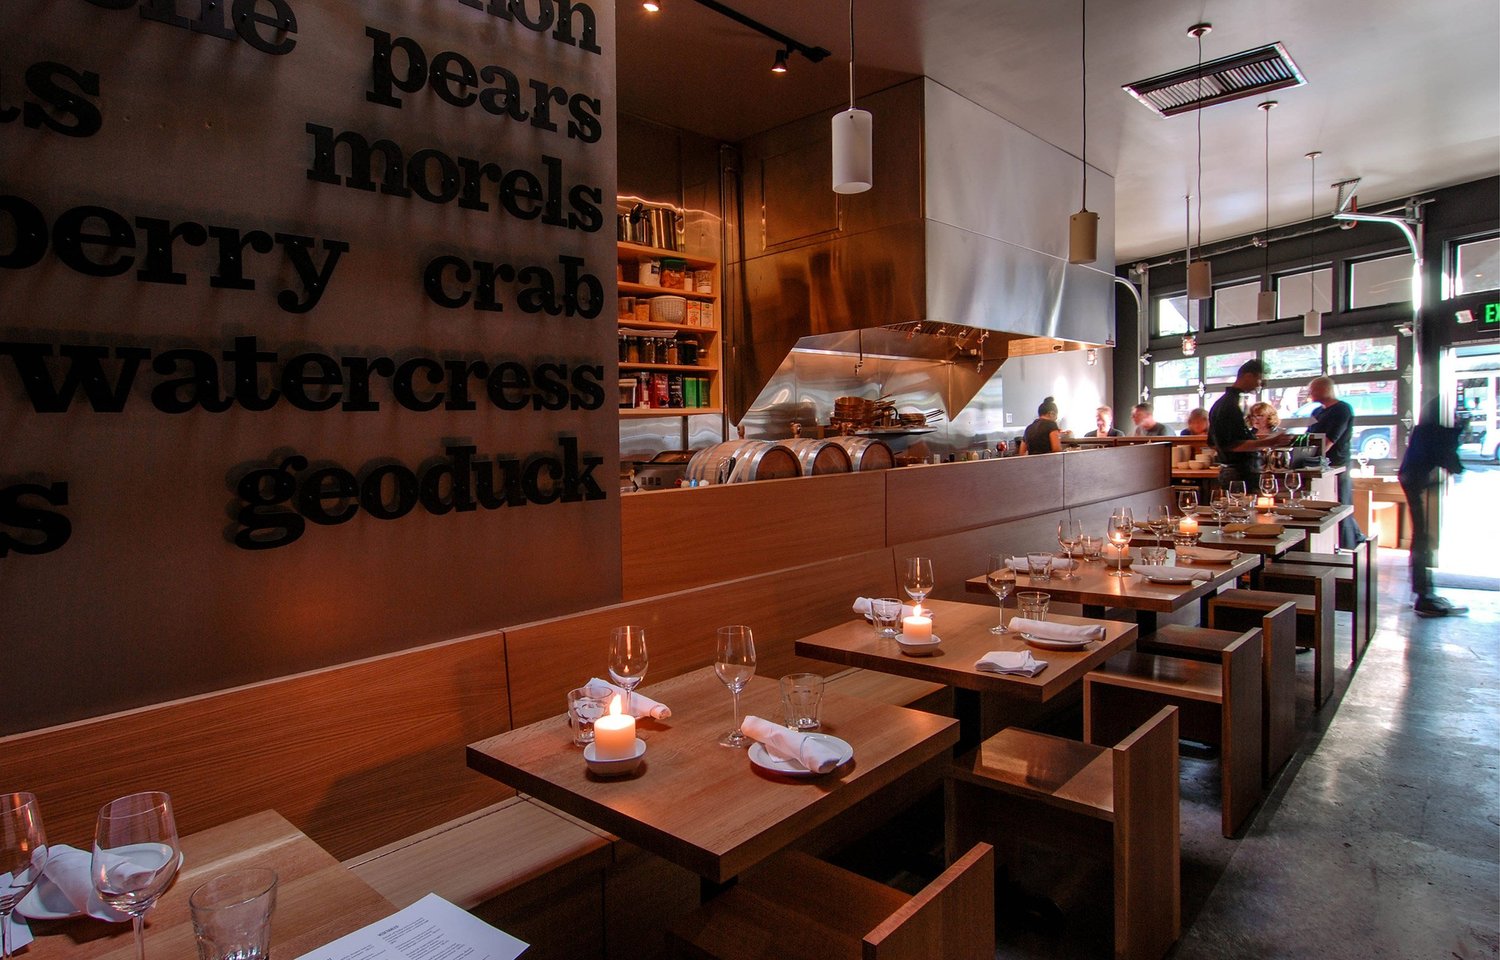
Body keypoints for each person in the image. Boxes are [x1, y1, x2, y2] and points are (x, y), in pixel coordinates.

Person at [1398, 399, 1468, 618]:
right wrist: (1456, 466)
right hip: (1414, 478)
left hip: (1411, 476)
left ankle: (1422, 592)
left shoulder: (1427, 425)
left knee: (1421, 537)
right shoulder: (1434, 429)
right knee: (1421, 538)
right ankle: (1423, 596)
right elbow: (1446, 455)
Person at [1208, 360, 1292, 491]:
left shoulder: (1228, 403)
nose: (1262, 385)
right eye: (1261, 380)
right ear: (1248, 376)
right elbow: (1230, 444)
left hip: (1235, 471)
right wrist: (1271, 442)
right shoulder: (1231, 405)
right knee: (1242, 504)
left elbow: (1213, 443)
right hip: (1238, 473)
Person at [1306, 376, 1366, 548]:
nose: (1310, 393)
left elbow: (1330, 439)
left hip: (1337, 463)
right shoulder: (1316, 412)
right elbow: (1308, 436)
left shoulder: (1342, 409)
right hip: (1317, 464)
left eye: (1312, 390)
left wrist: (1311, 456)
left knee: (1340, 501)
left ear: (1324, 389)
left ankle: (1349, 542)